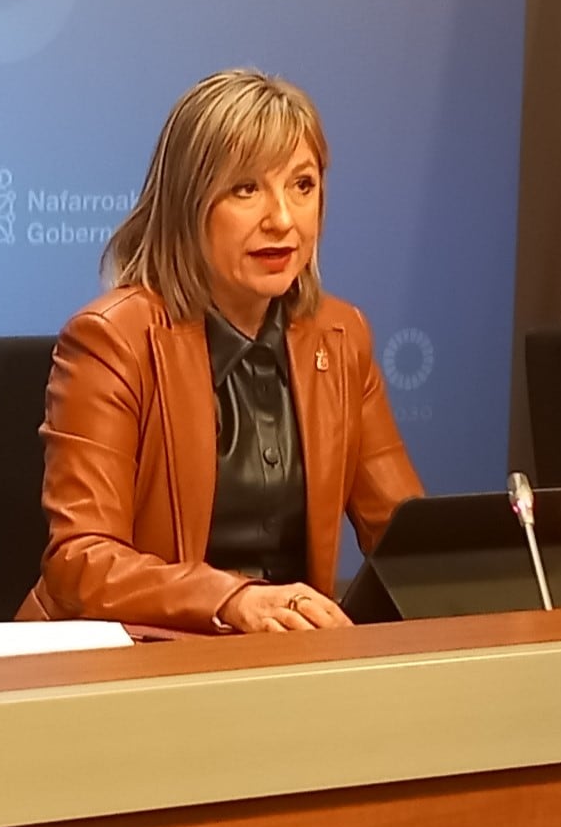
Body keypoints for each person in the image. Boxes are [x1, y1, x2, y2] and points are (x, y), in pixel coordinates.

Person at [28, 69, 422, 631]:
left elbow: (404, 537)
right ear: (190, 203)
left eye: (302, 186)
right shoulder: (113, 340)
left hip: (285, 665)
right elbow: (81, 562)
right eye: (246, 189)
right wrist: (230, 600)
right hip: (141, 660)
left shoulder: (340, 336)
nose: (283, 219)